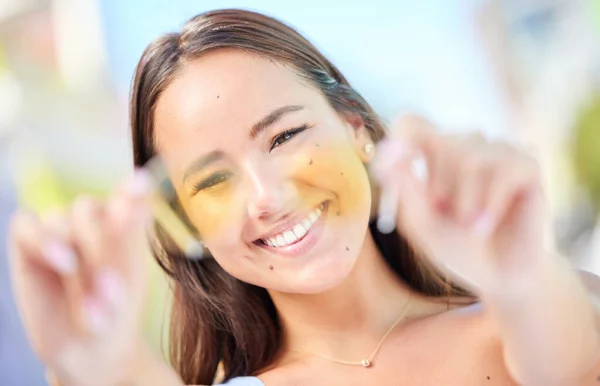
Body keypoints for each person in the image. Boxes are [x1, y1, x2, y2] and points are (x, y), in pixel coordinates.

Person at [7, 9, 600, 386]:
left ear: (354, 127)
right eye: (212, 181)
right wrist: (97, 370)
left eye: (286, 136)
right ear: (187, 223)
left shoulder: (547, 311)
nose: (266, 196)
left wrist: (520, 277)